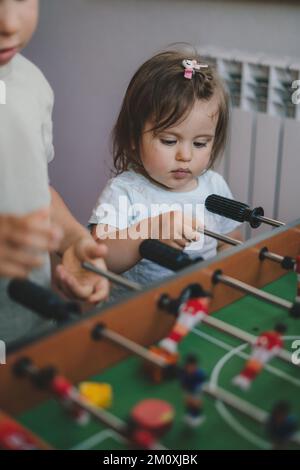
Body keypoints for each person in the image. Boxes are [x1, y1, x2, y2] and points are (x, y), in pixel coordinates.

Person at [89, 48, 242, 300]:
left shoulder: (214, 185)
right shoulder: (125, 191)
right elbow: (101, 253)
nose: (186, 156)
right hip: (136, 315)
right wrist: (150, 232)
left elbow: (231, 239)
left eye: (201, 143)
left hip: (199, 307)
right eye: (169, 141)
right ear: (134, 137)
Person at [0, 0, 109, 344]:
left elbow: (32, 189)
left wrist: (72, 240)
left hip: (28, 328)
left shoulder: (32, 84)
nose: (9, 23)